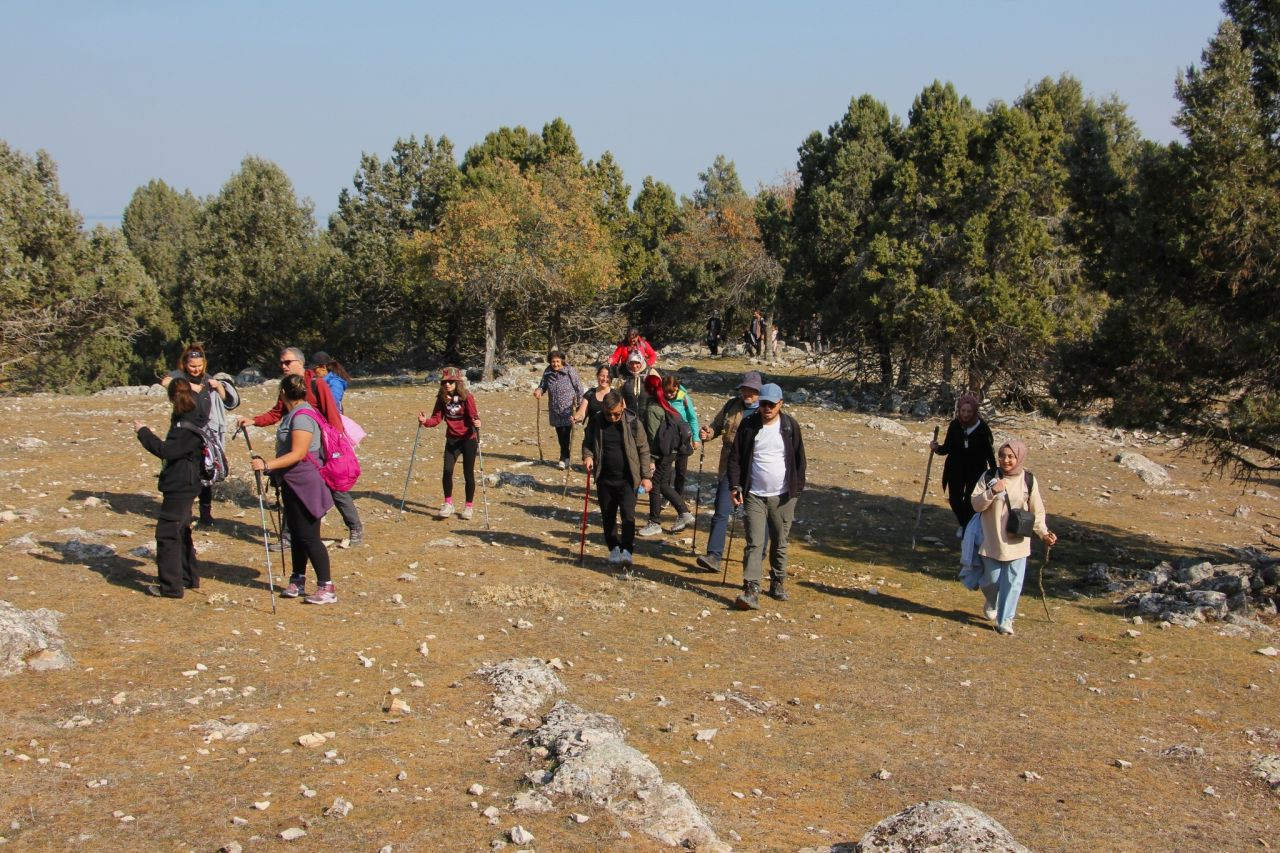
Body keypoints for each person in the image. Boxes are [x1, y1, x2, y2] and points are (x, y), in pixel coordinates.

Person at [239, 347, 364, 547]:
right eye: (281, 363)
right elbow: (276, 413)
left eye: (287, 362)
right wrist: (253, 421)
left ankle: (355, 528)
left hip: (321, 448)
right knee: (291, 487)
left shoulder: (317, 384)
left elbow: (333, 416)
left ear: (300, 362)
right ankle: (288, 538)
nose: (283, 366)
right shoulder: (286, 387)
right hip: (296, 446)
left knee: (335, 487)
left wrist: (337, 449)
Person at [250, 374, 337, 604]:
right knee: (298, 535)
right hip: (293, 482)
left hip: (306, 483)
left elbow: (298, 453)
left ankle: (326, 587)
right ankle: (297, 579)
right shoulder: (297, 414)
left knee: (309, 537)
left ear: (282, 394)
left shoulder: (302, 418)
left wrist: (267, 465)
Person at [727, 382, 806, 610]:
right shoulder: (748, 425)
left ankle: (777, 581)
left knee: (780, 543)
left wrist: (796, 491)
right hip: (754, 495)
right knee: (754, 543)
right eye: (764, 404)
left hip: (783, 496)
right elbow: (735, 459)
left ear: (781, 404)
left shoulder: (790, 426)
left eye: (772, 404)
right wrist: (735, 487)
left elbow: (800, 460)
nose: (767, 408)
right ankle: (751, 589)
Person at [969, 439, 1057, 635]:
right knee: (990, 581)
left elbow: (1037, 511)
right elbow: (975, 504)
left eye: (1011, 456)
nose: (1006, 460)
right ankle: (992, 602)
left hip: (1018, 541)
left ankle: (1006, 621)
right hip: (992, 540)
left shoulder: (1029, 480)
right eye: (1002, 456)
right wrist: (992, 491)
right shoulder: (989, 476)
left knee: (1014, 583)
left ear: (1019, 457)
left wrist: (1043, 533)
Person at [133, 379, 205, 598]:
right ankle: (188, 577)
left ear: (172, 397)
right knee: (182, 530)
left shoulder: (184, 425)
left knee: (167, 533)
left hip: (179, 484)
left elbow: (167, 451)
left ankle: (171, 587)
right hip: (191, 482)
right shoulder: (196, 416)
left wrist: (144, 432)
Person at [160, 342, 239, 528]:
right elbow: (165, 382)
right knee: (183, 470)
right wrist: (188, 387)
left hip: (204, 432)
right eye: (192, 366)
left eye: (199, 366)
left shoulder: (208, 378)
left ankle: (206, 513)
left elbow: (228, 400)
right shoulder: (179, 377)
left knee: (206, 472)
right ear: (185, 365)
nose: (196, 370)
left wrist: (218, 386)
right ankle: (183, 512)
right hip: (185, 429)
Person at [693, 372, 764, 573]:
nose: (747, 393)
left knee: (754, 516)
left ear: (758, 391)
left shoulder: (765, 410)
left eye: (751, 390)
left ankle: (758, 556)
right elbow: (717, 426)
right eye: (744, 389)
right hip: (728, 466)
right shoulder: (732, 406)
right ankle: (714, 556)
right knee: (721, 511)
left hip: (755, 469)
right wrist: (708, 434)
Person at [582, 390, 653, 569]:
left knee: (628, 515)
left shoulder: (633, 423)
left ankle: (627, 550)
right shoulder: (596, 421)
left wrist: (646, 477)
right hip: (605, 478)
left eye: (616, 413)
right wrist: (588, 457)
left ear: (623, 407)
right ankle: (613, 548)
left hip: (628, 479)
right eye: (608, 414)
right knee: (608, 515)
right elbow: (588, 443)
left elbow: (644, 450)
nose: (612, 417)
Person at [418, 367, 481, 520]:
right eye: (445, 382)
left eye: (451, 382)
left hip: (468, 440)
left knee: (468, 474)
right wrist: (425, 422)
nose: (447, 385)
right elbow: (436, 419)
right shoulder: (441, 399)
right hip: (452, 440)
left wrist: (477, 423)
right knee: (447, 471)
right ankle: (448, 504)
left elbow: (474, 416)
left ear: (457, 383)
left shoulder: (467, 397)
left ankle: (468, 507)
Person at [931, 394, 997, 536]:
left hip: (976, 470)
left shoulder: (983, 428)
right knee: (954, 499)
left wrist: (994, 472)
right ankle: (964, 523)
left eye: (969, 411)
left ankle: (967, 528)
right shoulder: (955, 425)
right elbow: (947, 447)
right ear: (959, 410)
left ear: (974, 412)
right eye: (963, 411)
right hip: (955, 469)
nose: (966, 414)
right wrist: (936, 448)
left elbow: (989, 453)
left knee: (970, 501)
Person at [638, 375, 695, 537]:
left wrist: (651, 460)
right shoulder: (666, 405)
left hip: (663, 453)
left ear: (647, 389)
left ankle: (655, 521)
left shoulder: (653, 408)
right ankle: (683, 513)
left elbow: (653, 437)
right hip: (672, 451)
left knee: (655, 485)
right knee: (663, 485)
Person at [534, 350, 585, 470]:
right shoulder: (547, 372)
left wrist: (580, 406)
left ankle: (563, 457)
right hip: (555, 409)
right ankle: (565, 456)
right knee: (559, 433)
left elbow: (579, 388)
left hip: (568, 408)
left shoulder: (569, 371)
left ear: (562, 360)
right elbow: (543, 386)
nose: (555, 364)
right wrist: (539, 391)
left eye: (557, 361)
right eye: (553, 362)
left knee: (565, 433)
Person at [662, 374, 700, 498]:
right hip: (667, 439)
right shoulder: (662, 398)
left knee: (681, 470)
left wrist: (696, 438)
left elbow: (692, 418)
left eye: (672, 392)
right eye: (666, 392)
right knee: (666, 470)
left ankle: (678, 495)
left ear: (677, 387)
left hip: (683, 438)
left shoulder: (684, 399)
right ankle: (667, 496)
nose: (669, 395)